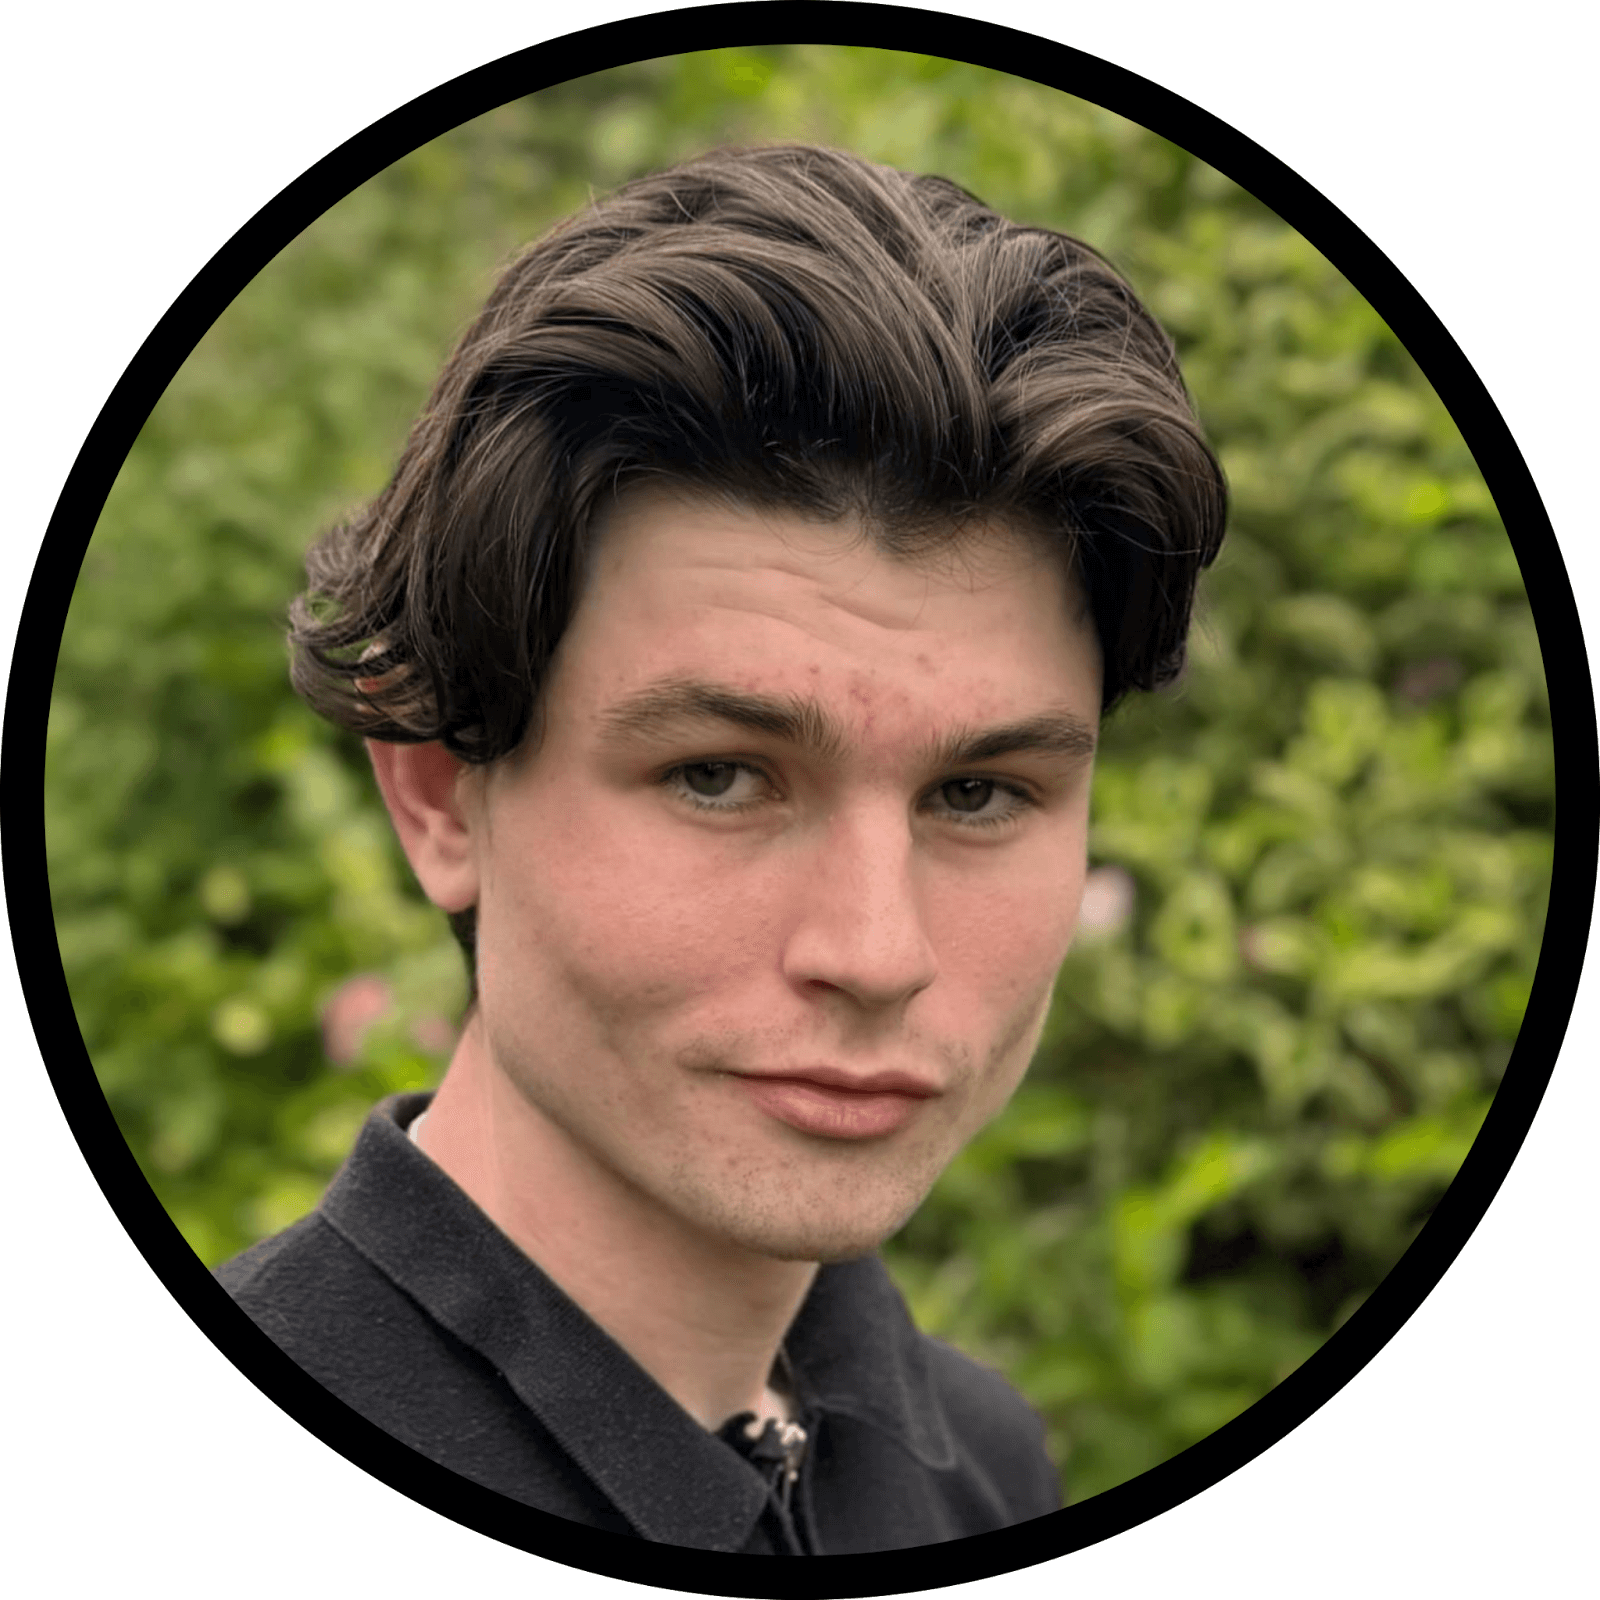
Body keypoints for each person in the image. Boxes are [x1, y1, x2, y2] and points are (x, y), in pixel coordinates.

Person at [215, 143, 1227, 1555]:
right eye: (719, 776)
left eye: (979, 793)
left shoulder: (983, 1465)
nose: (876, 952)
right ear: (442, 798)